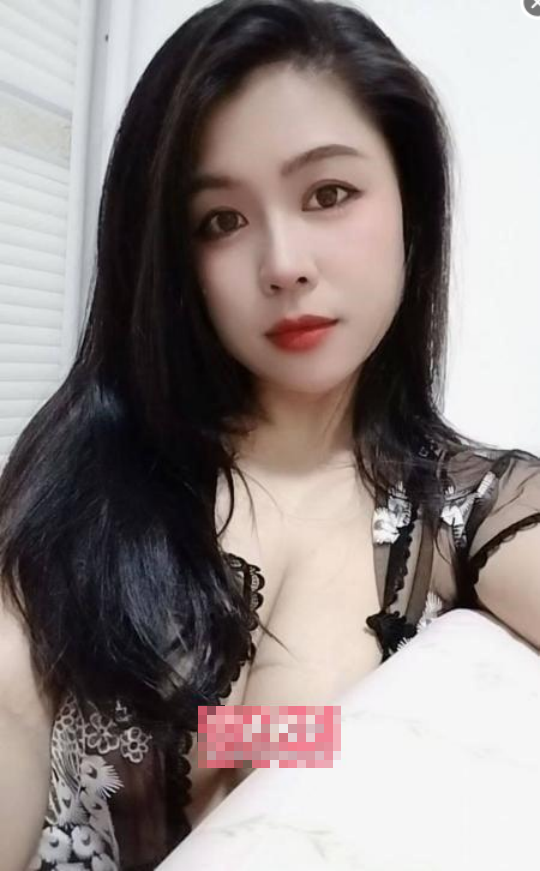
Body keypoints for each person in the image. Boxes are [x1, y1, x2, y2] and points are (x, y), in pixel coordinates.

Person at [1, 0, 539, 868]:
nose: (283, 263)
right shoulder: (88, 466)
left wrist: (292, 732)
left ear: (411, 202)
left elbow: (246, 746)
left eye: (329, 194)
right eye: (222, 220)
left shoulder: (475, 506)